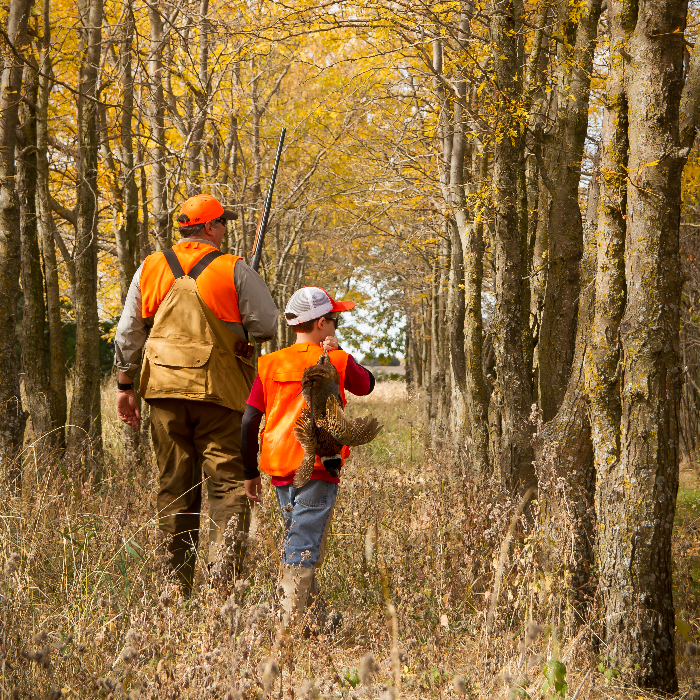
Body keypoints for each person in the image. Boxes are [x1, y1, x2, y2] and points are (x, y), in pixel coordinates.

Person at [114, 193, 278, 592]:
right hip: (219, 394)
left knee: (175, 486)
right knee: (226, 485)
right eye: (222, 222)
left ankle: (175, 589)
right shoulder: (233, 268)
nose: (225, 229)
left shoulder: (149, 267)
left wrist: (124, 386)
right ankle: (224, 587)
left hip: (163, 394)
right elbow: (267, 327)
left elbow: (128, 333)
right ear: (208, 227)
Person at [241, 287, 375, 624]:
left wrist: (249, 469)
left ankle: (314, 619)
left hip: (279, 467)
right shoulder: (338, 360)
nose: (336, 327)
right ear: (319, 324)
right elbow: (366, 384)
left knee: (299, 536)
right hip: (318, 466)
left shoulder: (270, 363)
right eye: (334, 320)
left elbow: (249, 421)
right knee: (302, 544)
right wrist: (340, 352)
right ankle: (288, 627)